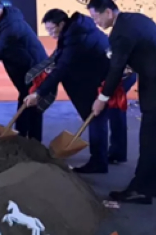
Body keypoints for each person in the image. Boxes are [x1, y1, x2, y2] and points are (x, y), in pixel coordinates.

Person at [88, 0, 156, 204]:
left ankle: (142, 189)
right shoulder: (134, 19)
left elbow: (116, 68)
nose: (95, 22)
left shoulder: (121, 33)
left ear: (108, 12)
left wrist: (102, 98)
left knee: (151, 138)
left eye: (96, 17)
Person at [24, 9, 112, 174]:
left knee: (95, 116)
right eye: (47, 30)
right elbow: (60, 56)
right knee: (101, 115)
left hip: (107, 77)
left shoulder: (76, 38)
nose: (50, 34)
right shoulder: (75, 30)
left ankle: (99, 162)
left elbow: (62, 68)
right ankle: (114, 154)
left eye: (52, 29)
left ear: (62, 24)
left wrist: (38, 93)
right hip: (102, 72)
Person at [0, 0, 48, 141]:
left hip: (33, 67)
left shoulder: (12, 26)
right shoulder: (4, 20)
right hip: (23, 64)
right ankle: (21, 135)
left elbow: (0, 50)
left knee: (32, 102)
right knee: (24, 98)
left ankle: (34, 142)